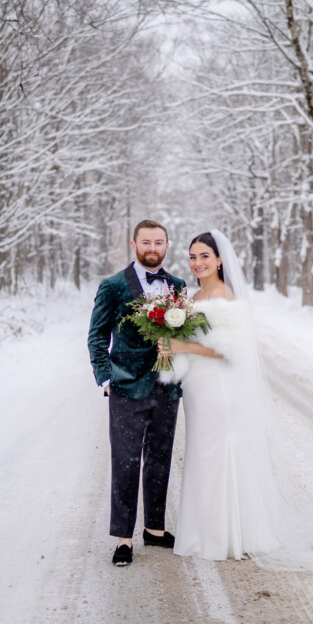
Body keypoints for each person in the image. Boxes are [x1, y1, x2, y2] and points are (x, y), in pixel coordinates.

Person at [159, 230, 284, 561]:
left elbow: (228, 350)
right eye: (192, 257)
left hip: (218, 385)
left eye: (204, 256)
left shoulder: (224, 295)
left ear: (219, 260)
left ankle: (223, 536)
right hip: (196, 387)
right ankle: (203, 531)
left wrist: (181, 345)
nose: (198, 263)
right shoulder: (193, 297)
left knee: (217, 453)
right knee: (202, 454)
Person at [87, 220, 187, 566]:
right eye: (146, 242)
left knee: (160, 458)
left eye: (159, 242)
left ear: (166, 246)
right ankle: (123, 539)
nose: (152, 248)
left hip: (166, 387)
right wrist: (106, 378)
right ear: (134, 245)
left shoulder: (177, 286)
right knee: (125, 462)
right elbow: (97, 337)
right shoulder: (113, 286)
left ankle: (155, 530)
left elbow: (184, 336)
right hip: (126, 387)